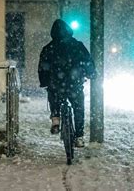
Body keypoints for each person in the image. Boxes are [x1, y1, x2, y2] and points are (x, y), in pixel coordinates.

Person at [38, 19, 95, 148]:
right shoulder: (78, 46)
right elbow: (87, 61)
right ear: (69, 31)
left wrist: (44, 82)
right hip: (74, 83)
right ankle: (79, 137)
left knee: (53, 96)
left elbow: (43, 67)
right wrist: (91, 73)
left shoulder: (48, 48)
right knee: (78, 107)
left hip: (56, 83)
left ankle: (56, 119)